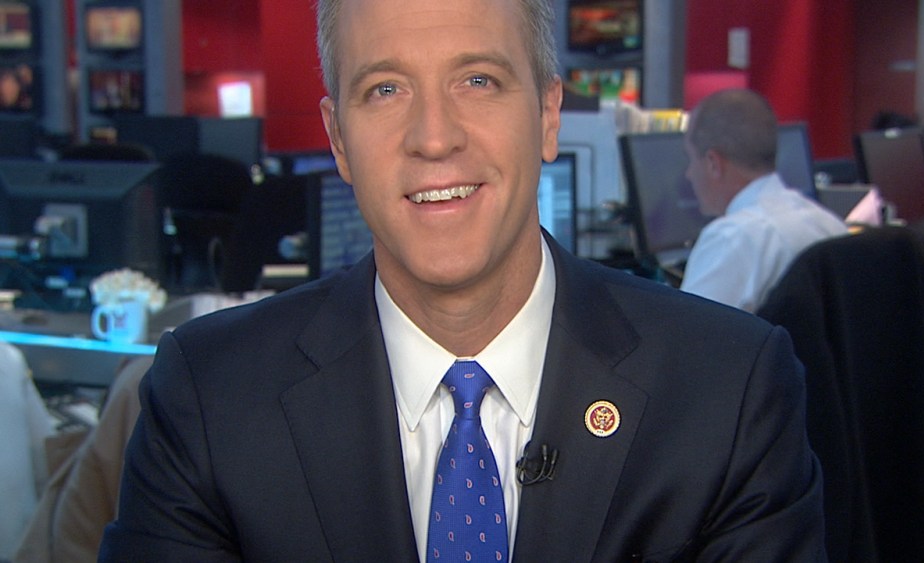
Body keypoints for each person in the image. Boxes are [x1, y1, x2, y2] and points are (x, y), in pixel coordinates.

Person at [99, 1, 826, 561]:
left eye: (478, 80)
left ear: (547, 114)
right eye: (385, 89)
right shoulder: (209, 397)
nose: (434, 136)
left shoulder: (727, 391)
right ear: (338, 139)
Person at [679, 89, 848, 312]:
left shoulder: (731, 239)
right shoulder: (829, 224)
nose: (689, 174)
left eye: (691, 159)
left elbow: (686, 331)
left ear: (713, 163)